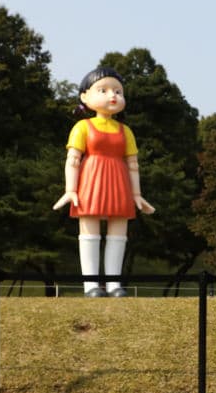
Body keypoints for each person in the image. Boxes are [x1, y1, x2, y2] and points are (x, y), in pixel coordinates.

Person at [53, 67, 155, 297]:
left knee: (118, 232)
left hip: (119, 182)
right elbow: (73, 160)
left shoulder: (125, 131)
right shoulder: (82, 127)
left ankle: (113, 284)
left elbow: (133, 165)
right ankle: (90, 285)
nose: (113, 96)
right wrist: (70, 189)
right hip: (91, 182)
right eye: (104, 90)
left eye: (118, 91)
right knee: (89, 230)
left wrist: (137, 194)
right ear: (84, 97)